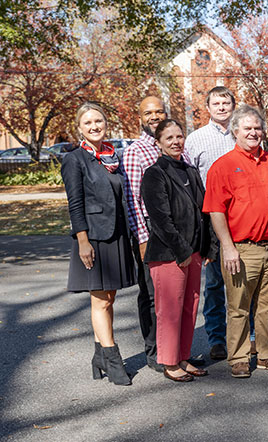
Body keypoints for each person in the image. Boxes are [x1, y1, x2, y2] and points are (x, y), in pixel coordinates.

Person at [203, 105, 268, 378]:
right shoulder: (222, 167)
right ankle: (239, 357)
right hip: (242, 249)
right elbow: (216, 211)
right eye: (248, 128)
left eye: (257, 128)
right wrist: (228, 247)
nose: (254, 133)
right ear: (235, 132)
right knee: (238, 306)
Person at [62, 102, 137, 386]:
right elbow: (75, 203)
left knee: (110, 298)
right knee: (100, 299)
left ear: (106, 123)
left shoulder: (111, 156)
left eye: (98, 121)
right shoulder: (75, 159)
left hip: (116, 234)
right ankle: (112, 357)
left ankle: (98, 356)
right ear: (79, 128)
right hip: (92, 237)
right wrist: (82, 240)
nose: (94, 126)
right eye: (88, 123)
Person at [141, 119, 216, 382]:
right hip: (169, 254)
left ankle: (183, 357)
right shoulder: (154, 174)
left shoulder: (190, 170)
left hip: (194, 251)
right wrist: (182, 250)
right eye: (169, 137)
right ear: (158, 142)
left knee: (189, 308)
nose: (176, 141)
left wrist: (206, 246)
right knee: (170, 310)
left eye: (179, 136)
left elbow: (202, 211)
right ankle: (170, 362)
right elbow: (160, 219)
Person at [184, 86, 236, 361]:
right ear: (208, 107)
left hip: (241, 217)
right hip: (211, 219)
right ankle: (217, 338)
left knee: (244, 280)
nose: (221, 107)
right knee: (215, 283)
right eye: (216, 103)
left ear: (232, 105)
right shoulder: (195, 139)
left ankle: (246, 335)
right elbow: (191, 182)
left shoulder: (243, 134)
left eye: (225, 102)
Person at [122, 96, 167, 372]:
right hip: (150, 232)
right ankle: (154, 351)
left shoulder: (175, 147)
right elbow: (132, 200)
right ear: (140, 117)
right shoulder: (135, 151)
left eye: (159, 111)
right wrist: (142, 238)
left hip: (175, 231)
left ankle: (174, 349)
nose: (154, 116)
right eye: (148, 112)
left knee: (174, 294)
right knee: (151, 295)